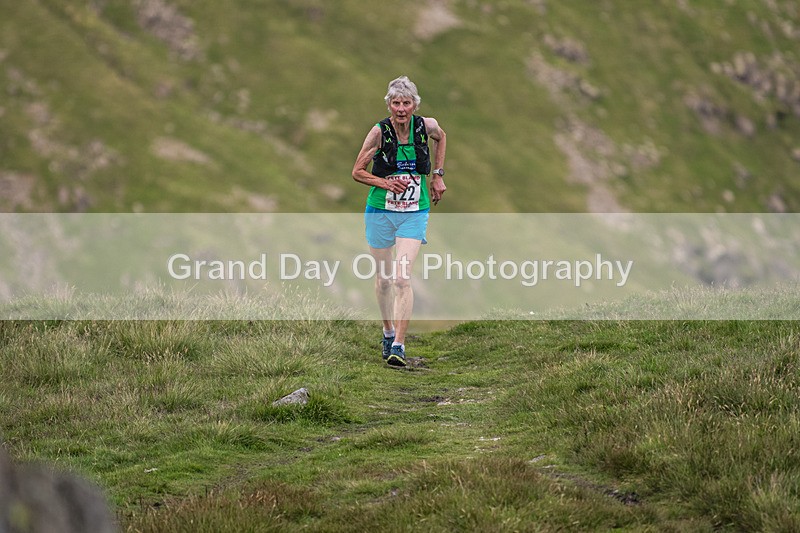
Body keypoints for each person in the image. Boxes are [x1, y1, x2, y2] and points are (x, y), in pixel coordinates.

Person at [352, 76, 447, 367]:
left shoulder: (426, 126)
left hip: (414, 213)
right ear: (389, 104)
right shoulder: (379, 133)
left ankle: (399, 346)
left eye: (406, 103)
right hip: (380, 212)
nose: (401, 109)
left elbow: (441, 137)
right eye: (396, 103)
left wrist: (437, 175)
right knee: (383, 281)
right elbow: (357, 171)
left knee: (402, 278)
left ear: (414, 104)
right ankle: (387, 330)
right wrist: (383, 183)